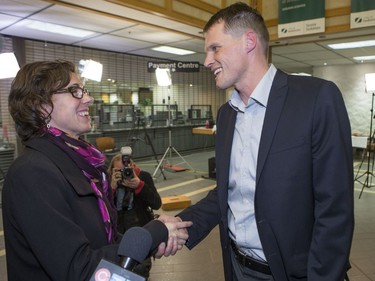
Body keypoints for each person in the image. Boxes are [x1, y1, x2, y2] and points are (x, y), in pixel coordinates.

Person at [158, 2, 354, 281]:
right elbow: (227, 194)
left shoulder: (316, 98)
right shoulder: (226, 115)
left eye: (215, 48)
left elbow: (335, 207)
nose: (207, 61)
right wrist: (179, 224)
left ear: (249, 41)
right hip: (237, 268)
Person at [2, 60, 191, 281]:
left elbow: (101, 239)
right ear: (40, 105)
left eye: (84, 91)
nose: (88, 98)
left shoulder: (78, 163)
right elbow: (77, 268)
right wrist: (153, 233)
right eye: (75, 91)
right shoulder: (32, 173)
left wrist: (145, 242)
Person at [108, 153, 162, 279]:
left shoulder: (143, 176)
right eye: (119, 171)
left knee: (141, 267)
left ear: (132, 166)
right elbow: (100, 208)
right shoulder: (108, 180)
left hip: (139, 225)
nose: (124, 173)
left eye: (126, 170)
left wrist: (140, 186)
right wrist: (111, 189)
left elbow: (156, 203)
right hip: (118, 228)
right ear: (112, 171)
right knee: (118, 266)